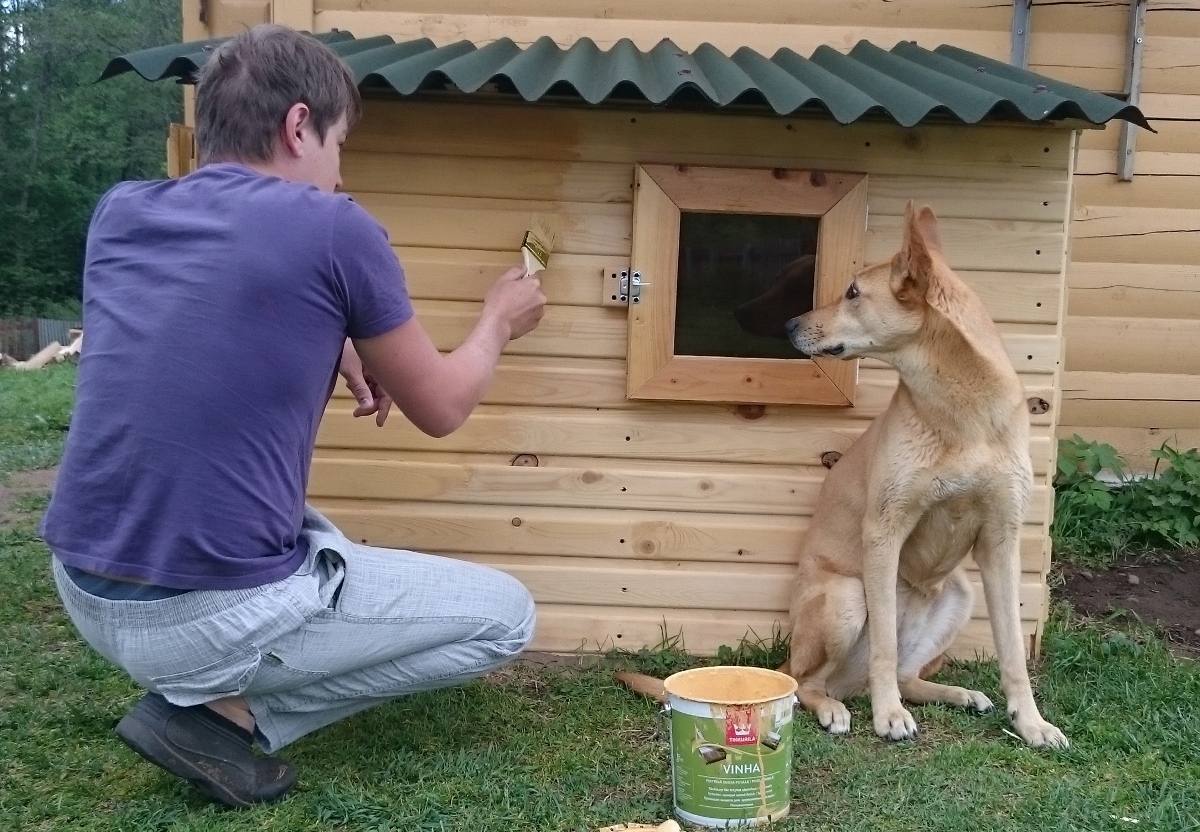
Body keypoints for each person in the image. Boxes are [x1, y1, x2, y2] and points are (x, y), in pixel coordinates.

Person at [40, 23, 546, 808]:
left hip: (85, 582)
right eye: (340, 146)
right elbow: (442, 407)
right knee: (506, 617)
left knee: (306, 527)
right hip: (200, 612)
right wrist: (498, 321)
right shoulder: (336, 227)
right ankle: (230, 715)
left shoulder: (121, 213)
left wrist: (329, 333)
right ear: (299, 124)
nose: (340, 174)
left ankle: (207, 699)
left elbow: (199, 324)